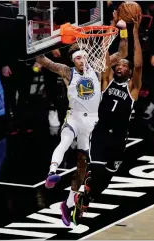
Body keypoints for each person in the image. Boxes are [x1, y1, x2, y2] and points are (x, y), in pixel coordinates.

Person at [36, 12, 128, 227]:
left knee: (83, 166)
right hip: (75, 118)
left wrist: (122, 30)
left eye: (84, 56)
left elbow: (122, 52)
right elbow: (41, 60)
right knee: (64, 142)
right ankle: (52, 173)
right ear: (72, 60)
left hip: (93, 124)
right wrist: (51, 38)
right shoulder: (67, 72)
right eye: (78, 57)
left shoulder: (97, 68)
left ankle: (68, 203)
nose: (82, 59)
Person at [71, 15, 142, 225]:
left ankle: (86, 200)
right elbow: (104, 56)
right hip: (101, 133)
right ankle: (85, 193)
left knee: (107, 179)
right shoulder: (107, 81)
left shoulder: (132, 88)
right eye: (118, 65)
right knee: (98, 170)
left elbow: (138, 63)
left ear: (129, 72)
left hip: (120, 138)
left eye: (124, 65)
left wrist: (133, 32)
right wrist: (114, 29)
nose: (119, 66)